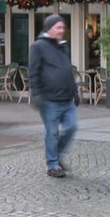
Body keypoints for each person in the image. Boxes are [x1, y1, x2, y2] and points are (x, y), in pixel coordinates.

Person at [29, 14, 80, 178]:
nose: (62, 30)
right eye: (58, 27)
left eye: (63, 27)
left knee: (72, 127)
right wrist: (36, 94)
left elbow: (68, 71)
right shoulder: (38, 46)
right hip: (49, 100)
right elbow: (33, 72)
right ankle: (52, 165)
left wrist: (75, 92)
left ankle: (56, 156)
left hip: (67, 99)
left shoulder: (63, 46)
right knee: (52, 133)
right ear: (49, 28)